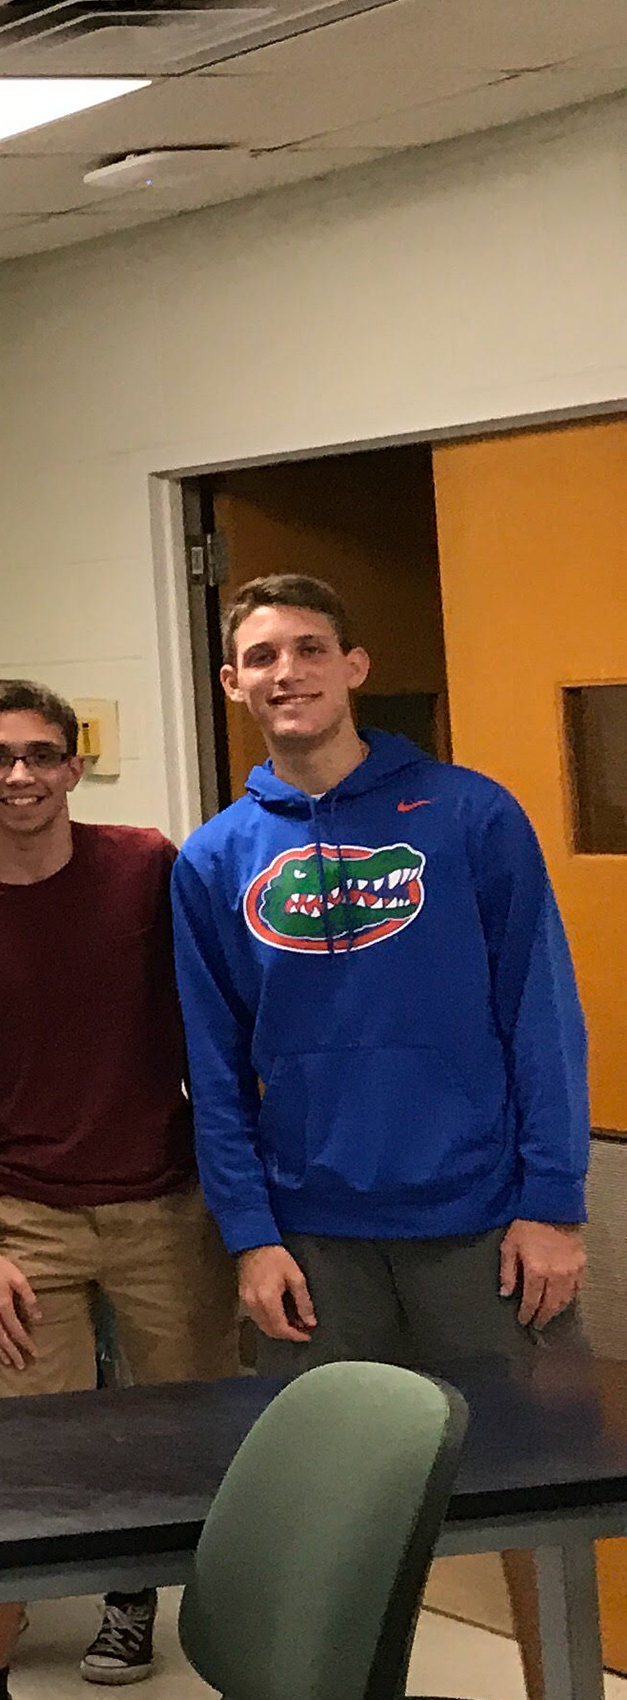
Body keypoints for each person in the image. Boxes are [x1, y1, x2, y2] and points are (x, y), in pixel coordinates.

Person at [0, 678, 233, 1700]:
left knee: (206, 1460)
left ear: (74, 765)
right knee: (18, 1470)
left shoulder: (146, 867)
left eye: (41, 754)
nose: (20, 775)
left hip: (166, 1209)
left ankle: (252, 1699)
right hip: (21, 1224)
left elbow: (214, 1020)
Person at [178, 572, 589, 1367]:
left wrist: (553, 1203)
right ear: (232, 683)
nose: (288, 672)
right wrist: (249, 1235)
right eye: (262, 657)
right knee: (337, 1447)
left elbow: (542, 1015)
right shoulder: (213, 858)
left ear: (354, 666)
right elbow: (213, 1068)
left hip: (482, 1218)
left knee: (524, 1443)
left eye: (310, 650)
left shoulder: (472, 814)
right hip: (310, 1238)